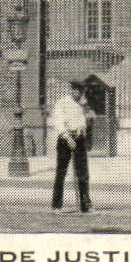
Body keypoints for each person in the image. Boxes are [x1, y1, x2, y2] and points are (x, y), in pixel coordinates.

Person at [49, 80, 92, 213]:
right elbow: (58, 122)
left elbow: (84, 120)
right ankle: (57, 205)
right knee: (61, 172)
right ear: (71, 90)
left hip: (79, 138)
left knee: (83, 173)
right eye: (74, 90)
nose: (76, 93)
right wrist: (67, 138)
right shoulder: (62, 103)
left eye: (79, 91)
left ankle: (85, 205)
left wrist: (80, 129)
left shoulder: (82, 104)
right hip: (65, 139)